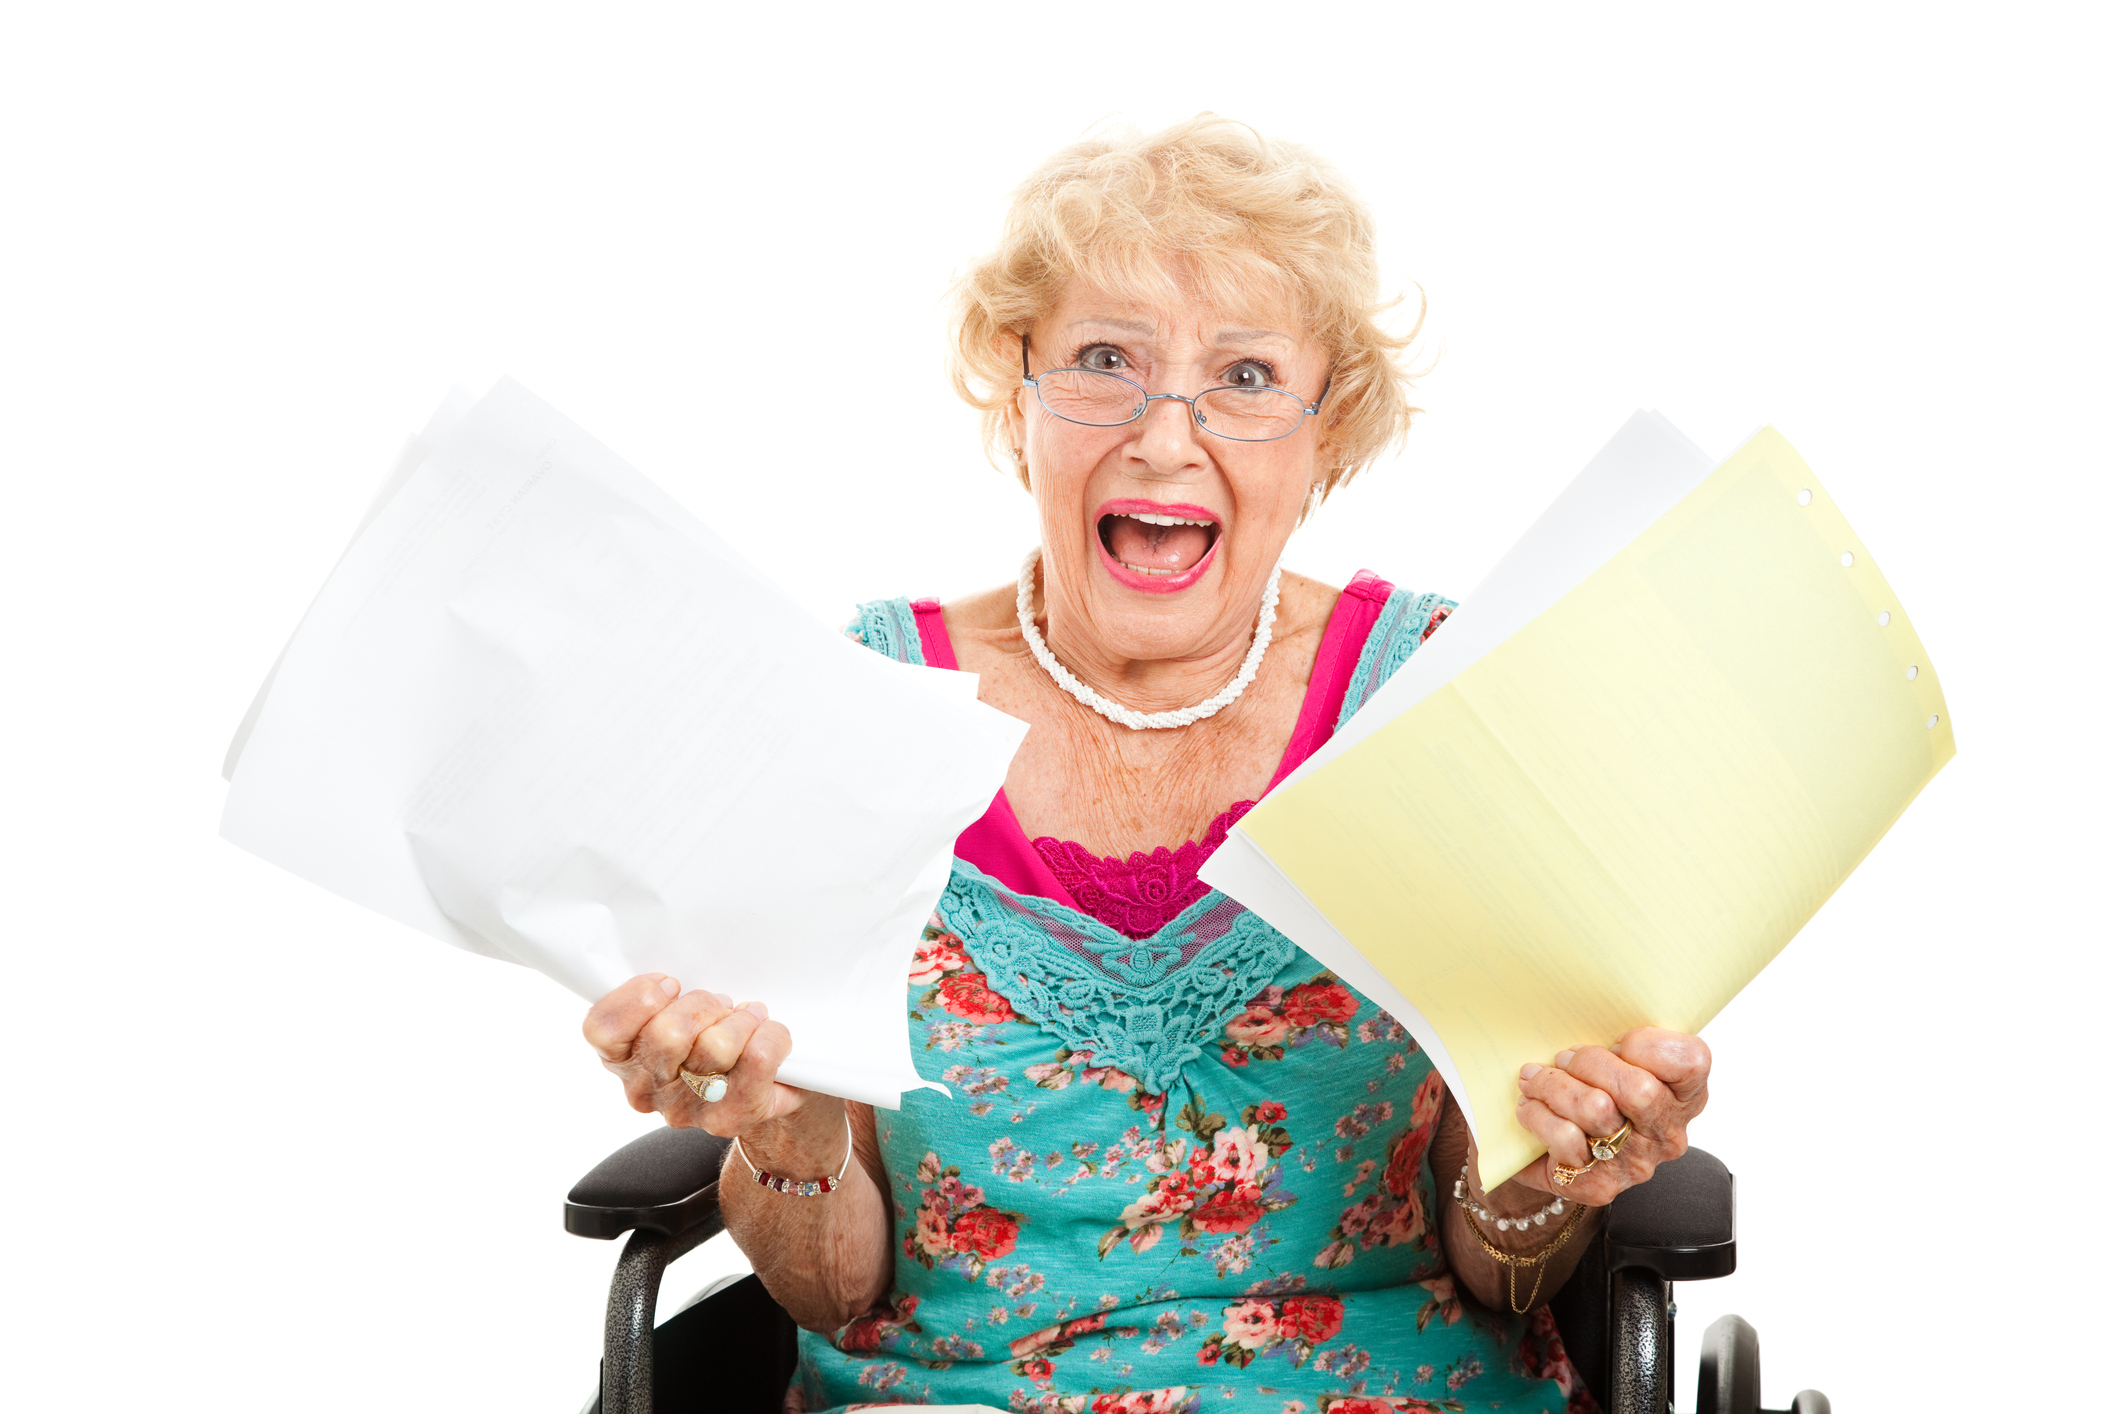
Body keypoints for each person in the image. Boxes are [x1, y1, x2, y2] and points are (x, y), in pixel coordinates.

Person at [583, 116, 1711, 1414]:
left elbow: (1499, 1265)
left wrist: (1546, 1167)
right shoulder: (860, 711)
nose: (1165, 438)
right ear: (1019, 387)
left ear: (1325, 426)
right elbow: (834, 1293)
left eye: (1242, 376)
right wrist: (780, 1125)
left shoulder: (1439, 701)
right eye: (1103, 361)